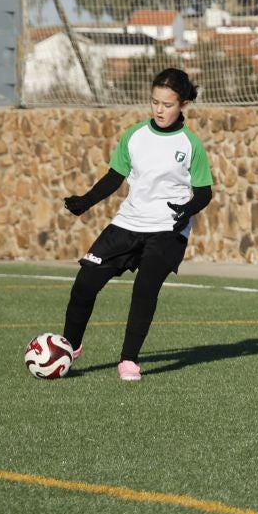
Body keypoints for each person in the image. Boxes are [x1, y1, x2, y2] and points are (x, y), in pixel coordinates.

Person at [59, 67, 214, 382]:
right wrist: (86, 201)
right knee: (85, 283)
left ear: (183, 104)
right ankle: (69, 348)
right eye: (155, 101)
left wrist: (188, 210)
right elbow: (116, 176)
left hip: (168, 229)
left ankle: (128, 360)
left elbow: (204, 192)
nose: (159, 109)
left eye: (167, 104)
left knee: (145, 290)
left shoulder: (191, 144)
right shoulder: (134, 136)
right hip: (128, 222)